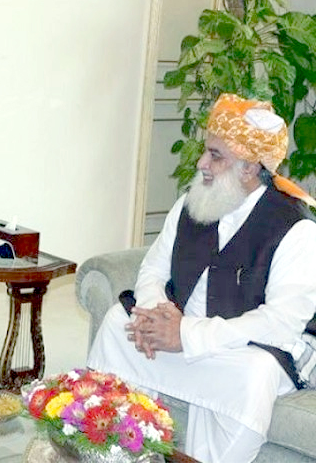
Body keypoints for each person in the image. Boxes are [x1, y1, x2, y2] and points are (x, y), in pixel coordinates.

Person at [87, 93, 316, 463]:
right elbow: (153, 269)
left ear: (249, 167)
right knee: (118, 323)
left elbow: (280, 323)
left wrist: (188, 335)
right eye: (206, 151)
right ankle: (117, 447)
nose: (201, 164)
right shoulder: (192, 203)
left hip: (250, 346)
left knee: (255, 374)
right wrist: (154, 315)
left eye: (215, 155)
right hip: (183, 328)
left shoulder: (297, 229)